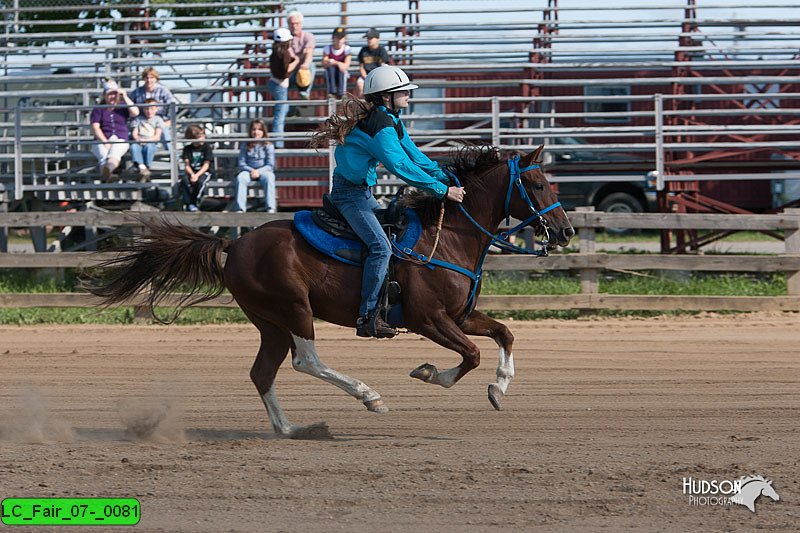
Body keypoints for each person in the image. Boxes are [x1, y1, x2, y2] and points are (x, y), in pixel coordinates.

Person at [310, 65, 466, 339]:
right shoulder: (381, 126)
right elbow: (399, 165)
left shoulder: (391, 119)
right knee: (381, 248)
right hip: (350, 196)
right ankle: (367, 316)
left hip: (362, 193)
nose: (408, 94)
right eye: (402, 91)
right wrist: (442, 190)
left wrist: (445, 176)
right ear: (386, 96)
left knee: (394, 240)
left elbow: (413, 156)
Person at [90, 79, 139, 181]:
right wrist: (105, 142)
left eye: (114, 94)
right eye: (109, 94)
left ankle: (107, 172)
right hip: (101, 139)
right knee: (103, 156)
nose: (112, 97)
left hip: (120, 138)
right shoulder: (98, 109)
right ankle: (109, 174)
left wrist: (124, 96)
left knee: (114, 154)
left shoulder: (122, 107)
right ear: (104, 96)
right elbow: (95, 127)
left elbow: (135, 112)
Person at [129, 67, 178, 149]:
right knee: (130, 135)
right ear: (143, 79)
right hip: (142, 121)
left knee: (165, 134)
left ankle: (172, 157)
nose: (149, 80)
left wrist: (169, 120)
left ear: (156, 79)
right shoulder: (137, 92)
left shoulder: (163, 90)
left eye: (152, 78)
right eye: (146, 78)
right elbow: (130, 106)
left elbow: (173, 106)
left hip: (159, 120)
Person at [234, 119, 276, 213]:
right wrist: (252, 170)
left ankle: (270, 208)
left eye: (259, 129)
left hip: (264, 171)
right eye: (254, 129)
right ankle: (240, 209)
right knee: (240, 178)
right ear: (250, 131)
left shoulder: (268, 145)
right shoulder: (245, 144)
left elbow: (270, 165)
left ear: (263, 131)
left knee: (269, 177)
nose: (256, 132)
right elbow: (241, 163)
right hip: (248, 171)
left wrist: (258, 171)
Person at [268, 27, 299, 149]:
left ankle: (291, 110)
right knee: (280, 115)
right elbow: (285, 72)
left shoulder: (275, 52)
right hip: (279, 85)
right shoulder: (284, 53)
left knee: (283, 109)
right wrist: (296, 61)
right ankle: (278, 143)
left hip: (274, 83)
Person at [179, 124, 213, 212]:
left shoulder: (207, 148)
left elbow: (206, 164)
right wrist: (192, 174)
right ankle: (188, 203)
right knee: (184, 180)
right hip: (192, 172)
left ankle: (195, 202)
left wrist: (197, 175)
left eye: (203, 136)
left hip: (203, 172)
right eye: (199, 137)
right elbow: (187, 165)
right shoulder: (187, 149)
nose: (202, 138)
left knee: (200, 182)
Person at [128, 98, 164, 179]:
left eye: (152, 108)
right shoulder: (138, 119)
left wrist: (146, 140)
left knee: (149, 147)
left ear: (156, 109)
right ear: (144, 109)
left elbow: (157, 136)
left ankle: (146, 166)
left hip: (151, 141)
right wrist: (138, 139)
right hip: (139, 140)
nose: (149, 111)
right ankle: (142, 167)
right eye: (147, 108)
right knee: (134, 146)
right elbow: (134, 133)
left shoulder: (158, 119)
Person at [287, 11, 316, 100]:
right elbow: (291, 57)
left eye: (297, 23)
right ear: (288, 24)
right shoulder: (285, 38)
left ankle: (304, 94)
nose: (294, 26)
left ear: (301, 24)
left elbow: (309, 52)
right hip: (290, 72)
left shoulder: (308, 36)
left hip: (302, 71)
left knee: (310, 65)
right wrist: (301, 56)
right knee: (279, 84)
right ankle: (291, 111)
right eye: (292, 23)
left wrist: (305, 62)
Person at [356, 28, 390, 97]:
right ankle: (363, 106)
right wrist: (365, 76)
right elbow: (361, 66)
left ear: (378, 39)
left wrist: (375, 78)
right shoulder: (363, 50)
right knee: (360, 86)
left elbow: (383, 67)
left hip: (378, 77)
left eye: (371, 38)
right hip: (366, 76)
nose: (369, 40)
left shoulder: (382, 50)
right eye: (368, 38)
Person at [322, 27, 352, 99]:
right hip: (331, 72)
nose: (339, 40)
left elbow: (346, 66)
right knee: (330, 69)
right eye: (337, 37)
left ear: (344, 39)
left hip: (341, 73)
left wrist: (335, 62)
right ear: (333, 38)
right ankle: (332, 93)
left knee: (342, 70)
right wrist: (338, 63)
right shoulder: (327, 48)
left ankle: (342, 93)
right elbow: (324, 64)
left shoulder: (347, 49)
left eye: (341, 37)